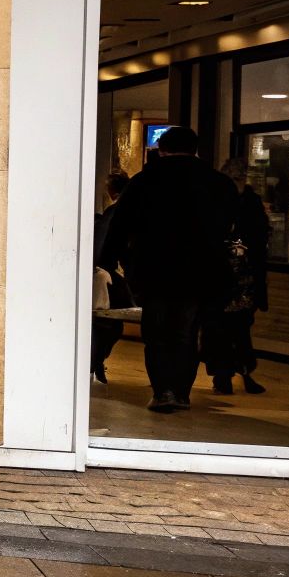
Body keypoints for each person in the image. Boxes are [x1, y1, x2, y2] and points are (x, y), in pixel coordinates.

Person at [96, 126, 237, 413]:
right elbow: (230, 226)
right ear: (195, 149)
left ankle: (163, 390)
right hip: (200, 271)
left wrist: (107, 260)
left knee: (157, 331)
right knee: (186, 330)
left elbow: (120, 225)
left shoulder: (144, 181)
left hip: (153, 269)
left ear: (161, 148)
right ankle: (181, 391)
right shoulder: (218, 183)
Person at [203, 158, 270, 395]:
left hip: (236, 277)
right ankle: (230, 375)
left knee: (234, 327)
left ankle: (233, 374)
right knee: (228, 328)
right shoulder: (237, 201)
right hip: (231, 276)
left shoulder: (226, 200)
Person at [89, 170, 133, 384]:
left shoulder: (115, 212)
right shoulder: (121, 212)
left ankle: (95, 362)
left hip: (105, 274)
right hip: (109, 274)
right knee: (109, 324)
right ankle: (96, 362)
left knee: (106, 323)